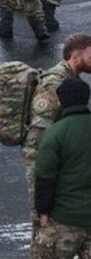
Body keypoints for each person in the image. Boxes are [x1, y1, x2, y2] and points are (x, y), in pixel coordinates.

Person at [23, 33, 91, 257]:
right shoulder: (55, 82)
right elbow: (42, 133)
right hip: (43, 160)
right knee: (44, 221)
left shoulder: (71, 79)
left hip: (59, 158)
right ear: (76, 54)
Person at [35, 78, 91, 259]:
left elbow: (45, 177)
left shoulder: (55, 132)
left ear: (61, 100)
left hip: (65, 218)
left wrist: (43, 211)